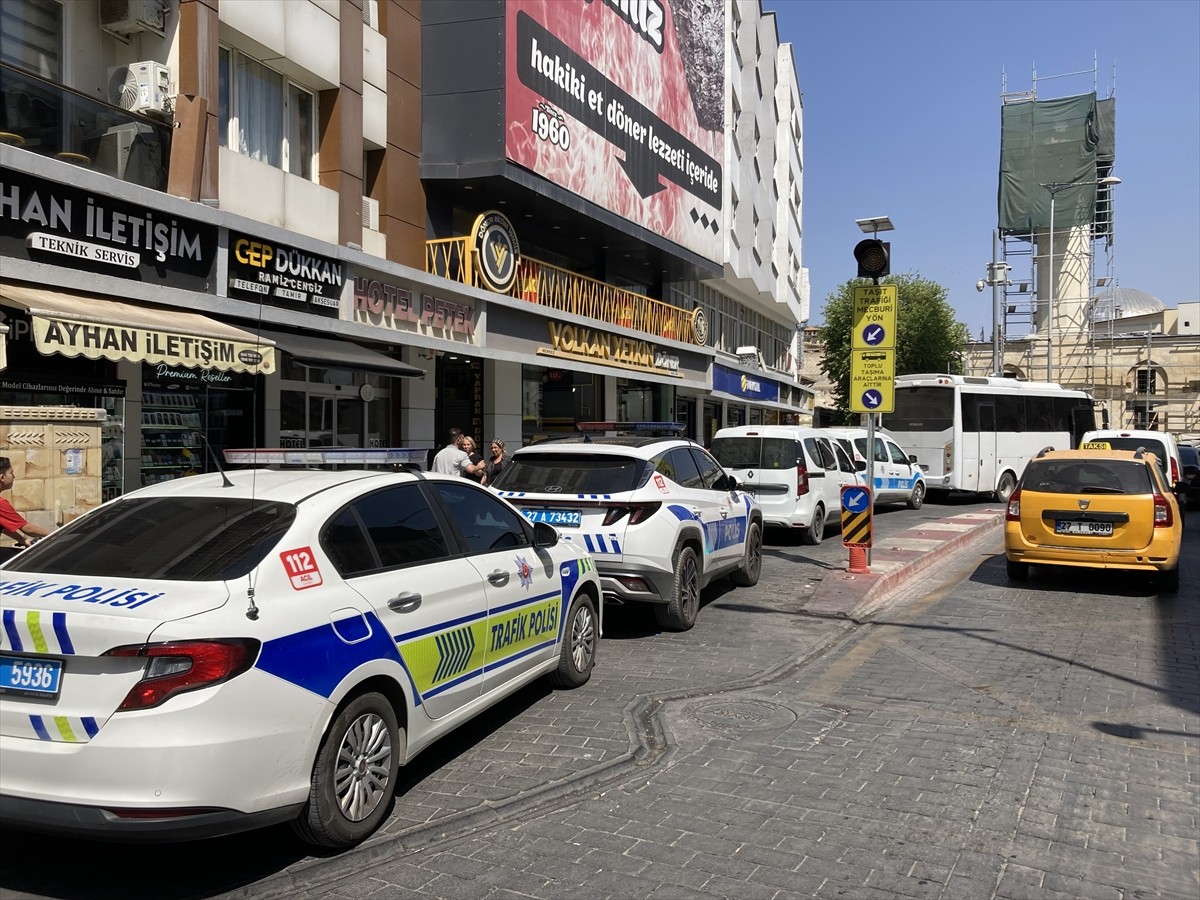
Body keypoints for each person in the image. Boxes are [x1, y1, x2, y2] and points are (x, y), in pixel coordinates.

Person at [0, 456, 51, 548]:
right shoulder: (1, 504)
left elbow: (4, 525)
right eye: (11, 473)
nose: (14, 476)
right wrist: (55, 535)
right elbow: (28, 529)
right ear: (2, 477)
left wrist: (22, 540)